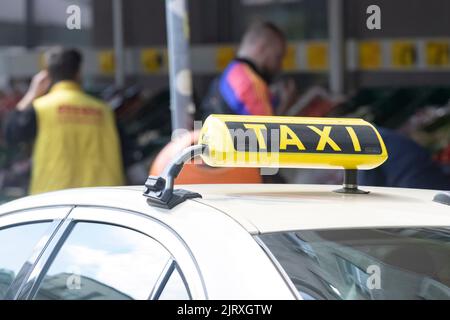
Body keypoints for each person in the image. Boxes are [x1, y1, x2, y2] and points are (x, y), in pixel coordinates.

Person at [3, 47, 125, 194]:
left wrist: (31, 94)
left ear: (47, 75)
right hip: (104, 201)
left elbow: (11, 133)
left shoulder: (40, 108)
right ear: (78, 74)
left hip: (54, 200)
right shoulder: (105, 111)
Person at [201, 21, 298, 119]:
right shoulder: (250, 83)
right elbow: (267, 131)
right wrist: (285, 104)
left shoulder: (233, 72)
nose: (279, 66)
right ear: (262, 48)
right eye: (277, 57)